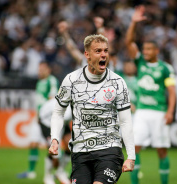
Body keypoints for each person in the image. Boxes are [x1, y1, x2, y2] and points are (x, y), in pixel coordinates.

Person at [49, 34, 135, 184]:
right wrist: (55, 138)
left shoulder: (117, 82)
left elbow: (126, 122)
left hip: (109, 150)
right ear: (87, 55)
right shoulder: (71, 80)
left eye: (105, 51)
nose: (103, 55)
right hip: (80, 151)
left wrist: (131, 156)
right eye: (98, 51)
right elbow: (58, 112)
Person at [125, 5, 176, 184]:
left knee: (161, 150)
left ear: (156, 51)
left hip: (159, 112)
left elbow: (172, 91)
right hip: (142, 112)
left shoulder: (165, 68)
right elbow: (129, 43)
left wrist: (170, 112)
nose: (145, 52)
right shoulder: (140, 63)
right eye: (144, 49)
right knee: (134, 148)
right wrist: (133, 23)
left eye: (148, 50)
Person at [17, 61, 59, 179]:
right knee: (33, 143)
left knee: (52, 148)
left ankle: (56, 171)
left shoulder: (52, 81)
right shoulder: (39, 82)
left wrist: (47, 116)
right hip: (38, 117)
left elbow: (52, 100)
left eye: (42, 69)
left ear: (48, 70)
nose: (39, 71)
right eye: (39, 69)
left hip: (47, 119)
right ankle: (31, 171)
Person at [39, 98, 72, 184]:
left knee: (70, 146)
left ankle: (60, 172)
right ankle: (48, 176)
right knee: (55, 154)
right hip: (48, 124)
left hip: (62, 123)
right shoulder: (66, 109)